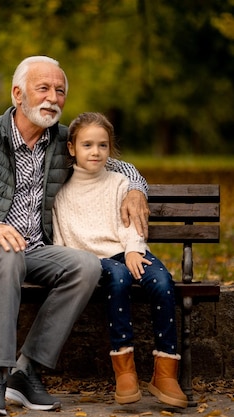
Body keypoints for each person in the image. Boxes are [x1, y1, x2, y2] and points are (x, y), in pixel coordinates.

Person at [0, 56, 150, 416]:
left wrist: (136, 190)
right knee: (6, 253)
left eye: (60, 91)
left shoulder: (63, 141)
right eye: (43, 88)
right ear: (17, 94)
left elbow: (120, 166)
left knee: (87, 267)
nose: (52, 98)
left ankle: (26, 373)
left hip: (32, 249)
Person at [52, 112, 187, 408]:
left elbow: (131, 223)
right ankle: (124, 369)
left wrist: (134, 250)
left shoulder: (120, 182)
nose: (96, 152)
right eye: (87, 145)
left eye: (102, 145)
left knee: (162, 282)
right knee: (119, 277)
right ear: (72, 148)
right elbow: (61, 235)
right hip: (89, 260)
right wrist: (70, 262)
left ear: (110, 148)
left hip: (127, 251)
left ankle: (165, 372)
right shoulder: (61, 189)